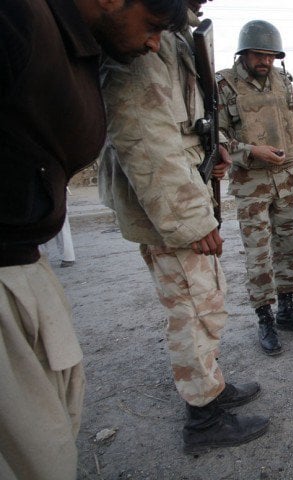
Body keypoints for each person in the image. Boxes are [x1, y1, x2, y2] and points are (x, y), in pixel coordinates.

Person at [0, 0, 186, 477]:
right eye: (152, 25)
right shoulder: (18, 19)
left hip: (24, 266)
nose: (152, 42)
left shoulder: (73, 40)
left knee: (55, 435)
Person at [99, 0, 269, 452]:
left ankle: (211, 387)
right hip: (170, 207)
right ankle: (203, 420)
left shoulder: (169, 30)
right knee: (194, 310)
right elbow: (145, 138)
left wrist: (212, 153)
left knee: (204, 300)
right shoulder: (141, 37)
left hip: (181, 194)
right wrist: (192, 219)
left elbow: (183, 124)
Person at [217, 20, 293, 356]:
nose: (265, 61)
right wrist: (250, 151)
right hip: (252, 182)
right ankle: (264, 318)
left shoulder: (283, 81)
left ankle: (287, 309)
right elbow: (214, 137)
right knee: (259, 253)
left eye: (270, 55)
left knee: (291, 245)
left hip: (289, 177)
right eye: (258, 55)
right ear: (243, 53)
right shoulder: (224, 84)